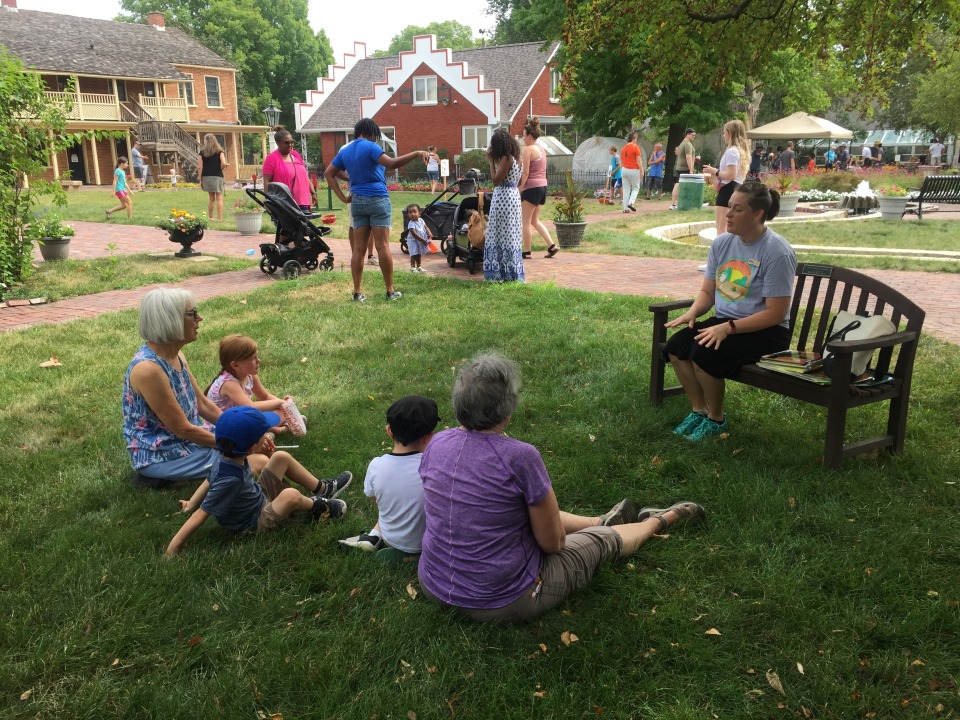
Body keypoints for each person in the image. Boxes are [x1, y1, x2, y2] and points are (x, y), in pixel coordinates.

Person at [416, 353, 706, 622]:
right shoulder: (520, 456)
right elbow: (552, 544)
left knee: (531, 509)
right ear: (508, 408)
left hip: (434, 582)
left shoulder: (437, 443)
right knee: (602, 540)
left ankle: (598, 520)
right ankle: (660, 519)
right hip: (502, 599)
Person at [663, 182, 797, 441]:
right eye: (729, 207)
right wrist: (693, 313)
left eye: (737, 209)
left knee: (703, 353)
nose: (728, 214)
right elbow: (707, 293)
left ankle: (716, 418)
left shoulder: (777, 252)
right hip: (725, 323)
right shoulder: (722, 243)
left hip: (766, 331)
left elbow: (776, 313)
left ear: (757, 214)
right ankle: (698, 411)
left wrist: (729, 328)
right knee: (676, 348)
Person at [165, 406, 351, 556]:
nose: (268, 435)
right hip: (254, 522)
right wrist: (173, 548)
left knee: (280, 457)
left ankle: (323, 489)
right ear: (252, 446)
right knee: (290, 495)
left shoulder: (226, 457)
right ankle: (318, 506)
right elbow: (202, 514)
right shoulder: (230, 480)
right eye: (265, 434)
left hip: (258, 496)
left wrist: (190, 502)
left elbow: (208, 480)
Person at [123, 288, 249, 488]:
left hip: (188, 442)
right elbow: (182, 429)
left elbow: (203, 404)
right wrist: (237, 444)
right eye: (192, 314)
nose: (200, 318)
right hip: (162, 454)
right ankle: (159, 478)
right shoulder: (148, 369)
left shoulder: (177, 355)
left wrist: (239, 431)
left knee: (247, 442)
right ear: (169, 319)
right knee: (247, 462)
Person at [324, 118, 425, 302]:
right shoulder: (370, 147)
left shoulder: (346, 150)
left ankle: (357, 292)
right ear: (370, 133)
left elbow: (329, 173)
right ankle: (390, 291)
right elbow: (392, 163)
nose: (375, 139)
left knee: (359, 249)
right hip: (377, 198)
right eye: (375, 136)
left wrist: (343, 197)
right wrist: (417, 153)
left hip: (357, 201)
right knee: (382, 246)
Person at [339, 395, 439, 559]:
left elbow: (374, 499)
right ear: (429, 436)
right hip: (430, 541)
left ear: (389, 431)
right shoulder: (434, 465)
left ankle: (373, 536)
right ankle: (413, 555)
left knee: (393, 503)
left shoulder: (376, 465)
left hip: (390, 537)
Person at [205, 334, 288, 418]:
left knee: (281, 412)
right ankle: (279, 429)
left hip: (241, 418)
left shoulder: (249, 375)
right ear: (235, 365)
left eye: (257, 356)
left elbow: (265, 396)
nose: (258, 361)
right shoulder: (229, 384)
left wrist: (283, 404)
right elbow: (250, 407)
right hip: (225, 427)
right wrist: (278, 403)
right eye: (253, 358)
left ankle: (276, 426)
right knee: (260, 419)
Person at [483, 128, 525, 282]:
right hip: (514, 196)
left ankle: (499, 273)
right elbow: (519, 181)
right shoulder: (519, 158)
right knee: (511, 235)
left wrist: (490, 161)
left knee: (498, 234)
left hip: (503, 198)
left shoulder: (506, 159)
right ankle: (513, 272)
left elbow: (495, 181)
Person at [518, 116, 559, 259]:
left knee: (525, 221)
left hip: (532, 188)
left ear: (529, 136)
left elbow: (525, 173)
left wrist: (519, 189)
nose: (522, 138)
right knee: (535, 220)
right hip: (542, 187)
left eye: (523, 136)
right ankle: (552, 245)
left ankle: (527, 251)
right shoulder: (541, 149)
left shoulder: (528, 150)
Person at [702, 119, 750, 236]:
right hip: (736, 188)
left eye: (725, 132)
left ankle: (721, 253)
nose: (723, 135)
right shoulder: (742, 151)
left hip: (728, 189)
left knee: (721, 229)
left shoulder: (732, 152)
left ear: (730, 133)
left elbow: (730, 174)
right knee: (729, 229)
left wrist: (714, 171)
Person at [263, 126, 316, 214]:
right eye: (286, 142)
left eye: (292, 142)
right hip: (283, 203)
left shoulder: (296, 155)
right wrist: (269, 201)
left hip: (302, 202)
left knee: (303, 227)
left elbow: (304, 177)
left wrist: (313, 193)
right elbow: (267, 182)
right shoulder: (271, 158)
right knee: (287, 227)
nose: (290, 145)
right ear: (278, 143)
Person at [199, 133, 229, 221]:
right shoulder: (220, 151)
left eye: (204, 140)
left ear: (206, 141)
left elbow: (200, 167)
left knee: (211, 198)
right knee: (219, 198)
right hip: (217, 176)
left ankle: (210, 217)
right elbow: (224, 163)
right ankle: (220, 219)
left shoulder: (202, 152)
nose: (204, 142)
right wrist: (221, 169)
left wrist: (200, 179)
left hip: (206, 176)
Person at [670, 128, 697, 210]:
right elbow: (688, 157)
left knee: (679, 185)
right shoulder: (688, 144)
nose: (694, 137)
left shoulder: (682, 143)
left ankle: (675, 204)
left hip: (680, 167)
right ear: (687, 134)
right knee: (684, 185)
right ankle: (688, 203)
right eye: (692, 135)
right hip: (685, 168)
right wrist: (691, 169)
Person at [619, 131, 643, 212]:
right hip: (633, 169)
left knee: (626, 189)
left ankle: (625, 208)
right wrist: (642, 171)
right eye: (636, 138)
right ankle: (631, 202)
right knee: (636, 188)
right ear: (634, 138)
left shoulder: (623, 148)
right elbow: (639, 161)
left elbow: (622, 160)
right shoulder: (635, 147)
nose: (636, 140)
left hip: (624, 169)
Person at [405, 203, 429, 273]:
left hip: (420, 241)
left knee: (419, 254)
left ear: (419, 213)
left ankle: (419, 267)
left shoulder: (421, 220)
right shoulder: (411, 223)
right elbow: (414, 234)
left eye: (414, 212)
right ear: (408, 215)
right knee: (414, 254)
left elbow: (426, 227)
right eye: (410, 212)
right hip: (413, 241)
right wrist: (423, 240)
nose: (412, 214)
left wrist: (429, 233)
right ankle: (412, 268)